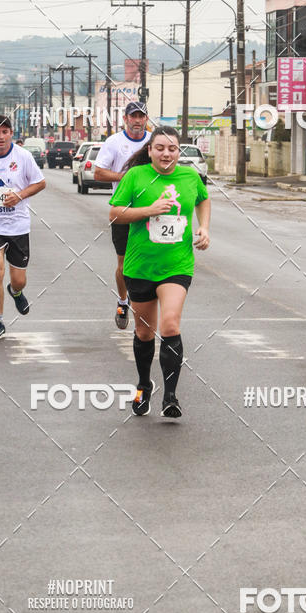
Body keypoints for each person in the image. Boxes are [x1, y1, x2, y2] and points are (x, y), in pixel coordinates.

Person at [109, 126, 210, 419]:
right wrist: (148, 210)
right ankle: (143, 383)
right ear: (150, 150)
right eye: (161, 148)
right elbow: (115, 212)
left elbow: (203, 198)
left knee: (169, 326)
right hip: (140, 266)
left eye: (173, 149)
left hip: (176, 265)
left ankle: (170, 395)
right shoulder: (136, 177)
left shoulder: (190, 177)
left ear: (179, 151)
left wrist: (204, 227)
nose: (167, 153)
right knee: (144, 332)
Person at [0, 115, 46, 339]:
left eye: (5, 132)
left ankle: (16, 291)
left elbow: (40, 183)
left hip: (18, 226)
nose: (1, 136)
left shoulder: (24, 156)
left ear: (11, 134)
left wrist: (19, 196)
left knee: (18, 278)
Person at [94, 102, 151, 329]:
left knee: (148, 259)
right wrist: (123, 178)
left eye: (141, 116)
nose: (137, 120)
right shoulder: (114, 142)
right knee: (123, 262)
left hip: (150, 211)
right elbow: (98, 172)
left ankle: (145, 302)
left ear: (147, 119)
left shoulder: (153, 142)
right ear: (125, 119)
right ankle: (122, 301)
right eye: (133, 116)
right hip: (124, 210)